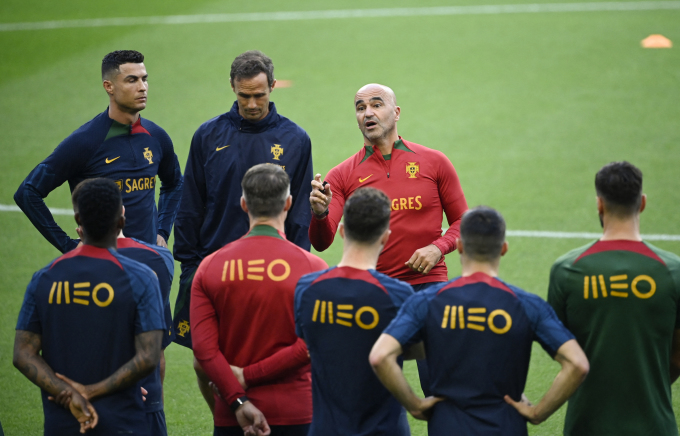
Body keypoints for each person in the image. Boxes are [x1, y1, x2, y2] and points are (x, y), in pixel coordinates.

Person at [369, 206, 589, 435]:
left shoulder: (427, 301)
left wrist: (415, 406)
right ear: (503, 249)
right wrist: (538, 413)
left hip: (448, 427)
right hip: (506, 427)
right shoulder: (526, 304)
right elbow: (577, 364)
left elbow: (381, 356)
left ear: (461, 247)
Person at [309, 83, 468, 394]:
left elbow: (463, 222)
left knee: (443, 393)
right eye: (360, 107)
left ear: (396, 113)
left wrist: (438, 248)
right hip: (375, 294)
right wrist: (318, 213)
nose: (368, 112)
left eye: (376, 104)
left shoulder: (434, 162)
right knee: (371, 396)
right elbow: (322, 241)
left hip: (429, 289)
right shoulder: (341, 175)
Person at [173, 49, 314, 351]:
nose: (251, 104)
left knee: (265, 353)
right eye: (244, 96)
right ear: (232, 87)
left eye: (259, 95)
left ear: (273, 86)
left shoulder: (295, 139)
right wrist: (189, 264)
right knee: (209, 358)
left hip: (274, 271)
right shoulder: (208, 136)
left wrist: (299, 264)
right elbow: (191, 203)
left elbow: (301, 210)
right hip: (215, 268)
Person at [13, 178, 165, 435]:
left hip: (65, 422)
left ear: (78, 221)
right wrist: (91, 391)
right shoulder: (141, 278)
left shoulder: (45, 278)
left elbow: (22, 354)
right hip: (123, 423)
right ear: (121, 222)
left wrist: (69, 393)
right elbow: (149, 357)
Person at [191, 164, 327, 436]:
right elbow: (312, 345)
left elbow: (203, 353)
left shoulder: (210, 267)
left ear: (243, 204)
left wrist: (237, 399)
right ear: (288, 203)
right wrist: (249, 375)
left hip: (233, 416)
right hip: (297, 413)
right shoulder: (314, 268)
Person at [547, 161, 680, 436]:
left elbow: (560, 349)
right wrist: (651, 383)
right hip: (655, 426)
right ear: (642, 203)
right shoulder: (673, 272)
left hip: (587, 425)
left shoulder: (567, 270)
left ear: (599, 204)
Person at [14, 50, 183, 253]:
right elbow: (28, 192)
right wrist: (68, 246)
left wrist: (162, 232)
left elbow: (174, 183)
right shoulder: (85, 142)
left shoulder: (157, 137)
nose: (142, 87)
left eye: (144, 79)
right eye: (132, 80)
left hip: (150, 262)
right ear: (108, 86)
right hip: (103, 269)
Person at [294, 187, 416, 435]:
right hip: (385, 429)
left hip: (325, 429)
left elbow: (307, 341)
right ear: (385, 238)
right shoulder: (399, 294)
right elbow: (415, 349)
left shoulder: (306, 289)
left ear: (341, 231)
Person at [70, 180, 176, 436]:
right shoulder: (160, 261)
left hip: (84, 401)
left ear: (79, 224)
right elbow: (155, 349)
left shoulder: (60, 274)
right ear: (122, 216)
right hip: (145, 401)